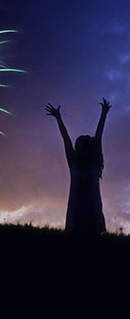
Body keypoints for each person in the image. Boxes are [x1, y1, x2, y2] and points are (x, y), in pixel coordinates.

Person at [45, 98, 111, 236]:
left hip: (92, 212)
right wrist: (58, 118)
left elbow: (99, 136)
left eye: (79, 145)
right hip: (77, 213)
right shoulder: (73, 162)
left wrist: (104, 114)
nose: (76, 147)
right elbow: (66, 139)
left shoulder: (93, 162)